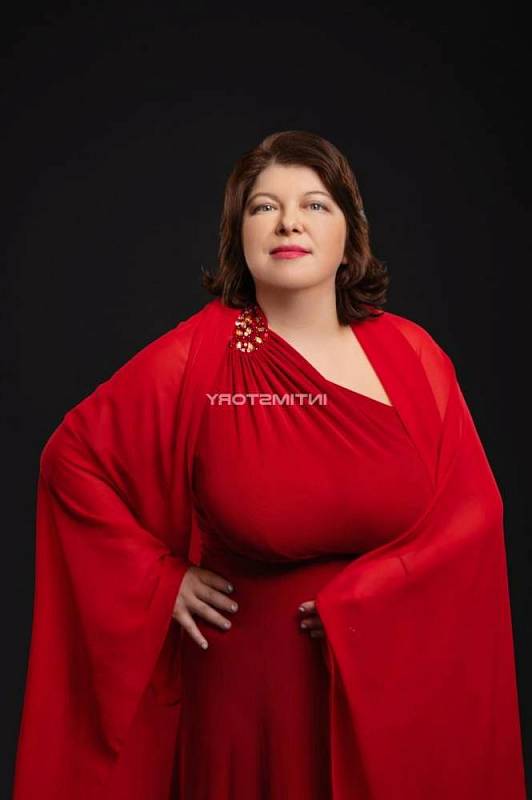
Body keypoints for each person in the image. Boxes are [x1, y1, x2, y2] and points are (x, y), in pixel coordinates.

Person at [12, 130, 527, 800]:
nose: (288, 222)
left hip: (393, 691)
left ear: (349, 234)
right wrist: (158, 580)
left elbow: (473, 511)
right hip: (249, 704)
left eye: (314, 204)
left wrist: (372, 595)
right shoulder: (197, 358)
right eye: (263, 207)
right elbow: (70, 460)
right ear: (239, 234)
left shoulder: (411, 354)